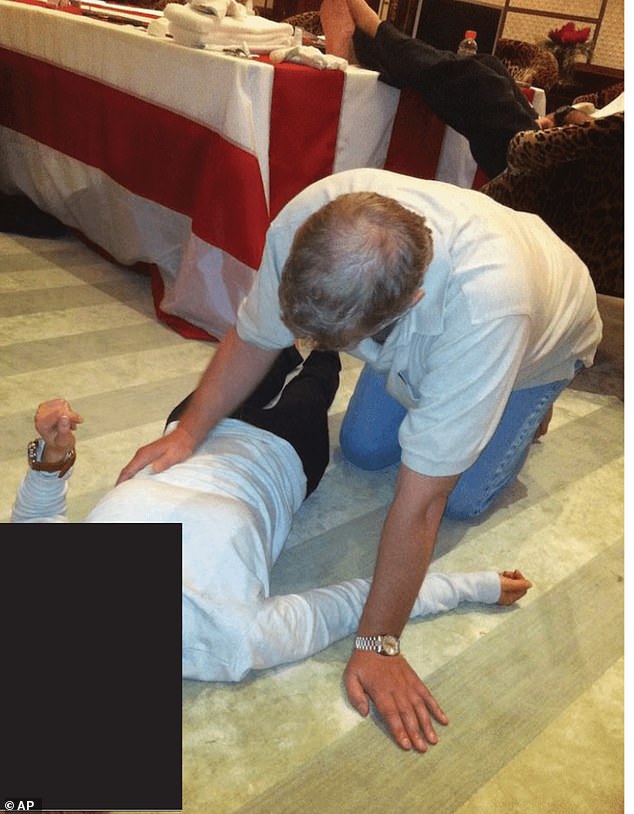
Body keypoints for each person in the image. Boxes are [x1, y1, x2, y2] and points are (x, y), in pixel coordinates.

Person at [116, 167, 599, 751]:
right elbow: (253, 337)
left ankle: (538, 395)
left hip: (542, 335)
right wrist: (189, 432)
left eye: (339, 339)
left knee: (462, 498)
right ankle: (463, 402)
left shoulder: (487, 312)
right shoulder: (306, 220)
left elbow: (423, 506)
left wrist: (379, 642)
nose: (320, 347)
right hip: (447, 310)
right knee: (366, 450)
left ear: (411, 301)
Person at [12, 348, 532, 684]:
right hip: (282, 452)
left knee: (264, 349)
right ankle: (323, 349)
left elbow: (35, 523)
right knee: (321, 371)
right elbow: (351, 604)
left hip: (187, 429)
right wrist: (478, 585)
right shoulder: (229, 639)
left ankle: (285, 342)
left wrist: (51, 452)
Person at [318, 0, 595, 178]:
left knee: (481, 81)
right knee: (489, 65)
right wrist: (564, 119)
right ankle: (369, 45)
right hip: (579, 155)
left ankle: (372, 33)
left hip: (553, 173)